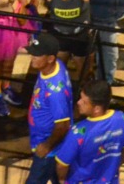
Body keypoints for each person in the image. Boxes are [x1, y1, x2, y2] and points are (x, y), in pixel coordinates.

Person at [52, 78, 124, 183]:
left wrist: (62, 179)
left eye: (84, 101)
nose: (78, 102)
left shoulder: (78, 132)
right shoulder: (123, 119)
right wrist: (113, 165)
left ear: (97, 108)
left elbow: (62, 164)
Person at [21, 31, 74, 184]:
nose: (32, 58)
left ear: (50, 58)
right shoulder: (53, 67)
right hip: (45, 143)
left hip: (49, 150)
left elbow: (63, 125)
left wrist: (46, 146)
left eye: (37, 55)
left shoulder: (55, 91)